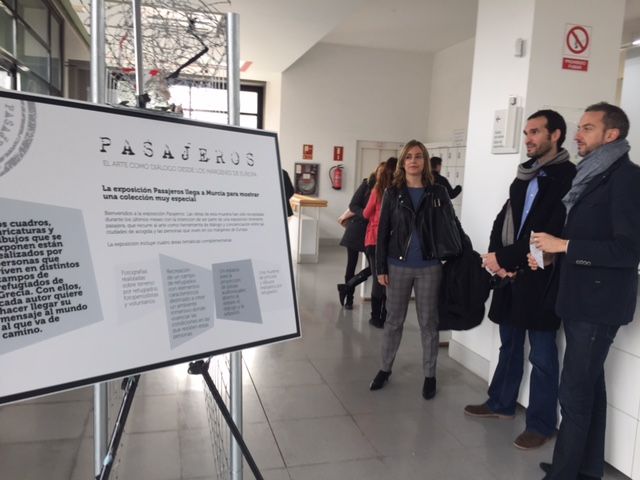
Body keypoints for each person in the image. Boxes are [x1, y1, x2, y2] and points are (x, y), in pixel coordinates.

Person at [529, 103, 640, 480]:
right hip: (580, 300)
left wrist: (565, 246)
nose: (577, 135)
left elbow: (628, 251)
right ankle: (587, 468)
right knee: (590, 388)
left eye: (587, 128)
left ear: (612, 135)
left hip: (598, 305)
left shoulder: (627, 178)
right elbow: (587, 236)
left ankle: (564, 473)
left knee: (574, 393)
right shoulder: (592, 175)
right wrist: (552, 255)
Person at [463, 110, 576, 450]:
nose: (528, 138)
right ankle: (501, 402)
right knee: (509, 344)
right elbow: (504, 219)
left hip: (542, 277)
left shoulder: (567, 177)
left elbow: (549, 228)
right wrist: (497, 259)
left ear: (555, 135)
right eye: (526, 132)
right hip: (512, 276)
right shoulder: (524, 176)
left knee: (542, 355)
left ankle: (541, 424)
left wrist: (505, 259)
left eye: (535, 132)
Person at [369, 140, 456, 399]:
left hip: (430, 267)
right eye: (408, 157)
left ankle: (430, 375)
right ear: (403, 162)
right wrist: (381, 267)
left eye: (418, 156)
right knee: (393, 321)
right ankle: (385, 369)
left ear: (425, 161)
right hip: (397, 266)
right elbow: (382, 233)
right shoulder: (392, 193)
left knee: (428, 323)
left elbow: (451, 226)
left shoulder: (438, 192)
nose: (414, 161)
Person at [362, 158, 397, 327]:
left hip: (374, 239)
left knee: (378, 279)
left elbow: (366, 214)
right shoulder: (399, 191)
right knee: (389, 280)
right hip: (392, 242)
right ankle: (385, 315)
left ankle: (376, 317)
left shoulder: (378, 190)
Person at [337, 166, 377, 309]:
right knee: (351, 265)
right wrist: (365, 213)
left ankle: (348, 286)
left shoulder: (390, 188)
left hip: (372, 232)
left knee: (375, 267)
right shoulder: (366, 184)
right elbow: (353, 205)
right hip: (356, 228)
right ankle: (349, 299)